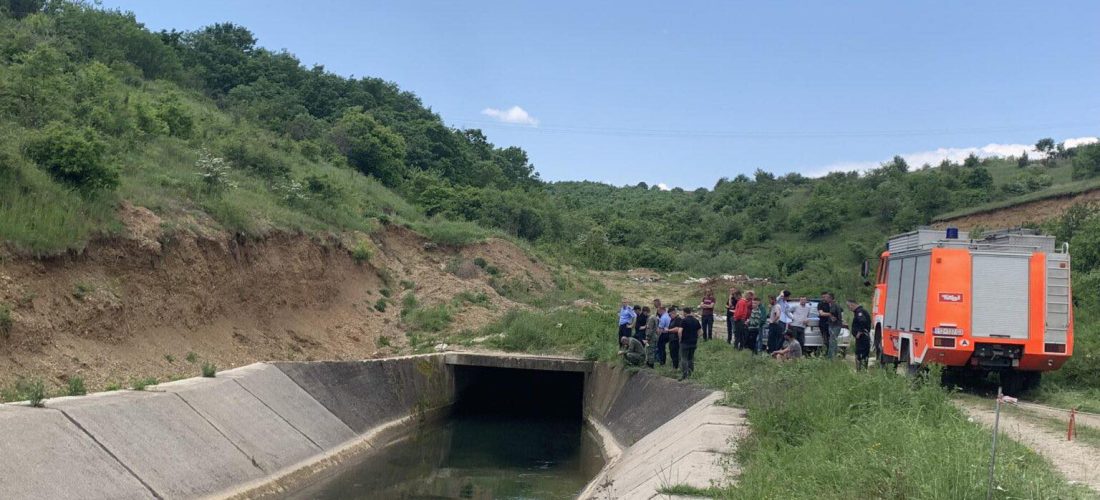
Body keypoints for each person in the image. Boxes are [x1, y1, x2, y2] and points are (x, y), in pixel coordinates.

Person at [848, 298, 872, 370]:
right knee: (859, 354)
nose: (849, 308)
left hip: (862, 337)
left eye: (849, 306)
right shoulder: (858, 312)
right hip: (861, 338)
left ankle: (862, 370)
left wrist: (859, 332)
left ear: (853, 304)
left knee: (861, 354)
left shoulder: (860, 312)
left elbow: (862, 321)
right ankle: (860, 370)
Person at [678, 307, 702, 380]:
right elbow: (701, 332)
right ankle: (691, 374)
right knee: (691, 358)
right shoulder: (696, 320)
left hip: (685, 342)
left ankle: (684, 375)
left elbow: (679, 331)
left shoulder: (683, 321)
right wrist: (696, 337)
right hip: (693, 342)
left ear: (685, 312)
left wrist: (680, 339)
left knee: (684, 358)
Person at [817, 292, 843, 358]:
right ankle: (831, 355)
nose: (825, 298)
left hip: (834, 325)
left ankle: (831, 357)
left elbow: (836, 315)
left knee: (832, 341)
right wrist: (830, 315)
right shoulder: (822, 304)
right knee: (829, 341)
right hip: (825, 325)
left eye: (826, 297)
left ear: (830, 298)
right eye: (824, 297)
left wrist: (832, 317)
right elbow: (821, 313)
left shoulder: (834, 305)